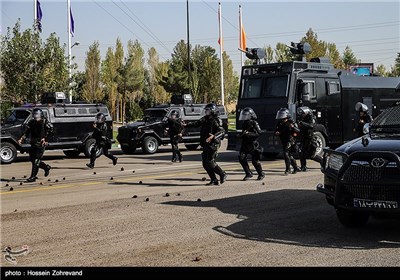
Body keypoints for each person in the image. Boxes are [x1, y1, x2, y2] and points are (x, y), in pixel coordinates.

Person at [184, 103, 226, 185]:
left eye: (207, 110)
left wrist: (214, 136)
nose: (206, 111)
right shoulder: (205, 119)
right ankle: (214, 179)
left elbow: (222, 132)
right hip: (205, 143)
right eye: (206, 110)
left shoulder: (217, 120)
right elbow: (197, 123)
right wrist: (186, 125)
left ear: (212, 111)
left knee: (210, 162)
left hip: (213, 144)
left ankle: (222, 174)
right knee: (205, 163)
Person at [18, 108, 53, 182]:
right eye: (34, 114)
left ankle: (33, 176)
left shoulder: (45, 122)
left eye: (37, 114)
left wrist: (46, 139)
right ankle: (46, 167)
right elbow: (27, 132)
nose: (35, 116)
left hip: (41, 143)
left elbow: (51, 130)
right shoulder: (31, 122)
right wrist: (22, 139)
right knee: (32, 159)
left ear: (40, 114)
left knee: (36, 160)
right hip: (33, 143)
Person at [237, 107, 265, 181]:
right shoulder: (244, 123)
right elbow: (243, 132)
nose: (244, 116)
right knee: (241, 158)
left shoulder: (254, 123)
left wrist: (249, 134)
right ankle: (248, 173)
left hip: (253, 144)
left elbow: (259, 133)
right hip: (245, 143)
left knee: (255, 161)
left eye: (246, 115)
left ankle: (261, 173)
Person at [275, 108, 300, 175]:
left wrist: (292, 127)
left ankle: (288, 169)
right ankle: (295, 167)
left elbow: (298, 131)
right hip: (283, 140)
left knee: (286, 154)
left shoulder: (291, 122)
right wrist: (277, 133)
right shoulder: (279, 123)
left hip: (290, 140)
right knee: (289, 155)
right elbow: (276, 131)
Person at [297, 106, 316, 172]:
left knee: (311, 156)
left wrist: (303, 123)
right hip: (303, 138)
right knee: (301, 152)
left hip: (309, 139)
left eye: (303, 113)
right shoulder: (302, 118)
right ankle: (303, 167)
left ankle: (323, 162)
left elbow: (311, 125)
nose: (302, 115)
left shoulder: (311, 118)